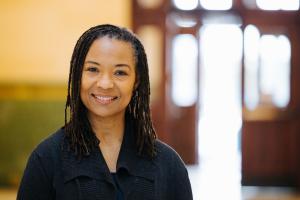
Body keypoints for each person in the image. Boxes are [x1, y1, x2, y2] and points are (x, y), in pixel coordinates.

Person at [17, 24, 193, 200]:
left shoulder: (168, 165)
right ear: (78, 74)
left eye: (120, 72)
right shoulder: (46, 159)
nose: (105, 84)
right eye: (93, 69)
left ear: (136, 81)